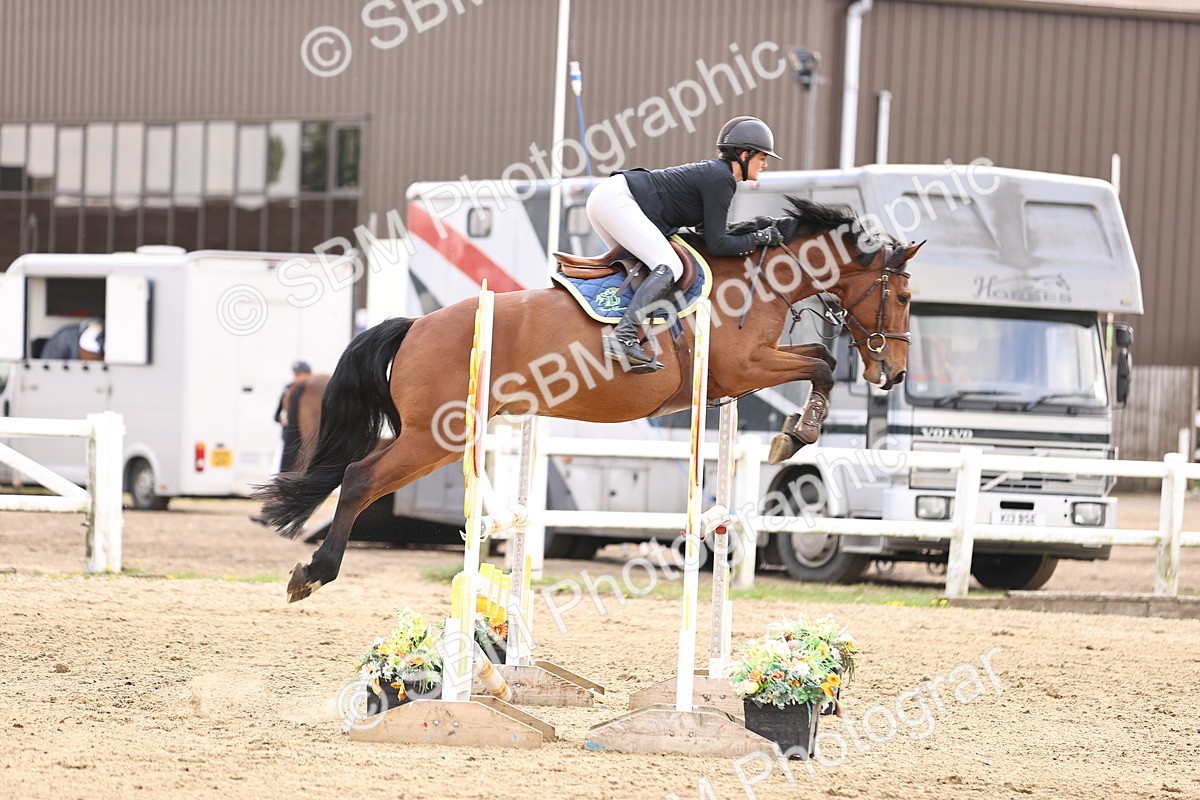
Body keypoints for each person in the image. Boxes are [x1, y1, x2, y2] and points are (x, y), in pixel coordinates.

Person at [585, 116, 784, 372]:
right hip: (618, 200)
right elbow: (718, 245)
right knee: (670, 265)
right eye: (762, 157)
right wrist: (759, 238)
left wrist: (754, 228)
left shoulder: (717, 175)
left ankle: (619, 335)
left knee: (641, 272)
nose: (765, 164)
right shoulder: (721, 179)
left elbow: (708, 234)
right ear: (744, 155)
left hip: (610, 198)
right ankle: (623, 337)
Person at [275, 360, 312, 473]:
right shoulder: (288, 390)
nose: (297, 377)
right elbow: (276, 415)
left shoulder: (311, 391)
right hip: (289, 435)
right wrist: (283, 419)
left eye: (299, 374)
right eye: (296, 374)